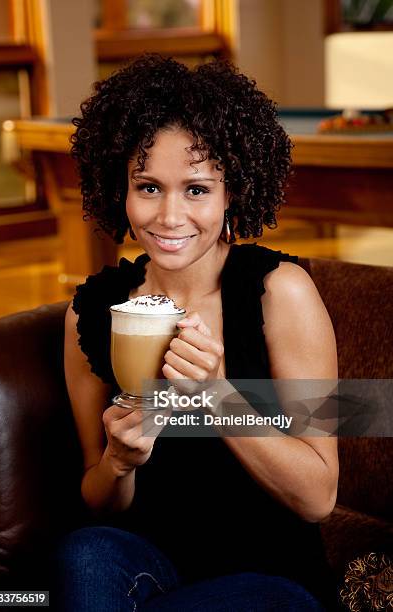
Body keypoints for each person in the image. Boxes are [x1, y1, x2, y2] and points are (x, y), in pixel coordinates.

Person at [52, 53, 339, 611]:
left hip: (270, 580)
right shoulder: (92, 313)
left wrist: (217, 393)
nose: (169, 216)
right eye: (149, 187)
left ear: (233, 190)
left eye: (197, 189)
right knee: (83, 554)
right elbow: (98, 501)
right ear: (120, 189)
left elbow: (318, 496)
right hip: (148, 565)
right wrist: (117, 463)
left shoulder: (282, 294)